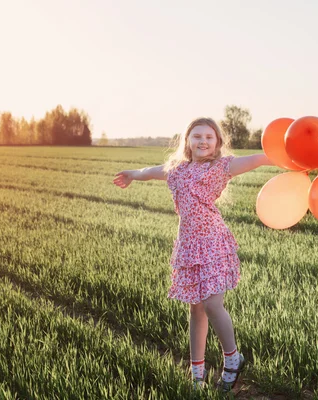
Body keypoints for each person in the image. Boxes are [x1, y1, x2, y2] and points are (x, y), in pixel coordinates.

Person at [113, 117, 272, 392]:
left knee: (212, 304)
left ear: (218, 143)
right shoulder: (177, 169)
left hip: (212, 242)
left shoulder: (223, 166)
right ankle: (197, 374)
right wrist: (131, 173)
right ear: (187, 141)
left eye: (209, 137)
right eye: (197, 136)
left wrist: (293, 158)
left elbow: (260, 158)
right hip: (187, 244)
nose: (203, 141)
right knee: (196, 309)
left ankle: (233, 359)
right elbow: (150, 171)